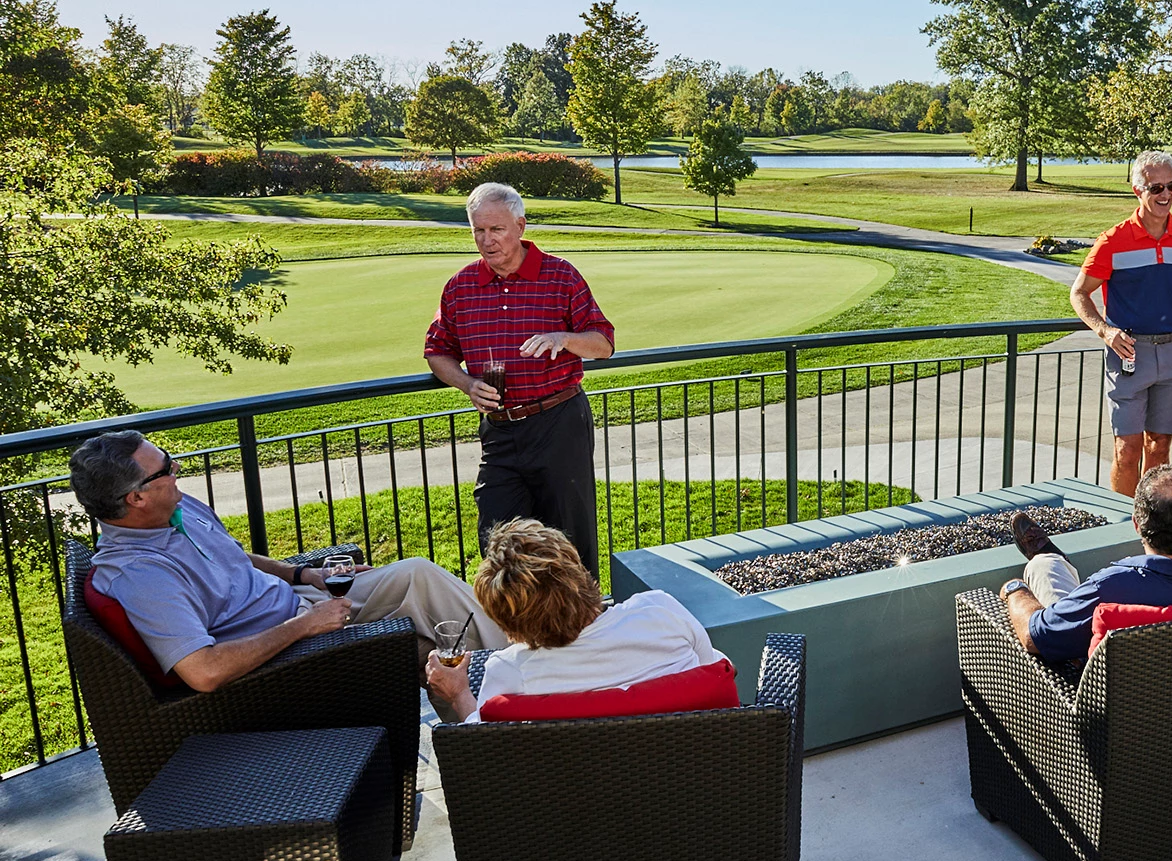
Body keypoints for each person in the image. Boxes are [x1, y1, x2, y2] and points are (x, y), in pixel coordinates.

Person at [71, 430, 507, 692]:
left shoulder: (178, 511)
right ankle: (509, 708)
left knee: (419, 574)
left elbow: (234, 559)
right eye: (165, 467)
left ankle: (515, 671)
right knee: (430, 651)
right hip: (285, 648)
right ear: (137, 497)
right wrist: (306, 625)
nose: (177, 467)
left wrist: (304, 573)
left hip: (297, 597)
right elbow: (203, 673)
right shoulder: (141, 575)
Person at [425, 183, 615, 578]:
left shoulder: (560, 276)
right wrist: (466, 384)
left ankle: (583, 629)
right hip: (499, 432)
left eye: (496, 229)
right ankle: (514, 632)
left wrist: (563, 339)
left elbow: (604, 344)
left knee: (570, 539)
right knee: (497, 546)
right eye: (478, 230)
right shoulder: (460, 287)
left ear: (520, 226)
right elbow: (437, 351)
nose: (486, 240)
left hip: (559, 423)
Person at [426, 518, 722, 722]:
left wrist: (458, 694)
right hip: (694, 791)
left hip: (582, 806)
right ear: (579, 570)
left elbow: (480, 748)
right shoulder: (661, 611)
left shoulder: (511, 672)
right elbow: (713, 671)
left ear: (509, 625)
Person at [999, 466, 1172, 663]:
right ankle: (1050, 561)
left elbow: (1034, 637)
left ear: (1136, 525)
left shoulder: (1111, 588)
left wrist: (1015, 589)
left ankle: (1046, 561)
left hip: (1109, 716)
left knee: (1043, 569)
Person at [1072, 150, 1172, 497]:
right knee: (1127, 449)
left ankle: (1150, 527)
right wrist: (1105, 330)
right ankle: (1121, 530)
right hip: (1130, 356)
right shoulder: (1112, 241)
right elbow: (1079, 294)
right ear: (1137, 191)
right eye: (1156, 188)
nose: (1165, 195)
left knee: (1160, 448)